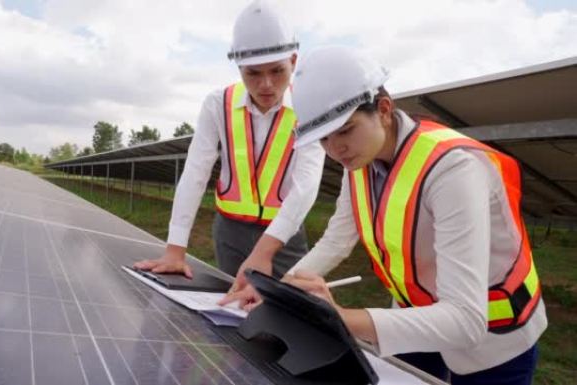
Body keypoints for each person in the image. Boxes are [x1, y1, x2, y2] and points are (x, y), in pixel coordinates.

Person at [264, 46, 546, 384]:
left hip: (495, 338)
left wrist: (338, 318)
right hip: (416, 314)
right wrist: (280, 291)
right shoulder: (358, 161)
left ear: (383, 109)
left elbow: (466, 321)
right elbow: (338, 239)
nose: (335, 149)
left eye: (345, 130)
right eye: (323, 138)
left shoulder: (455, 170)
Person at [134, 0, 324, 286]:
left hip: (285, 234)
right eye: (253, 74)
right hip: (229, 231)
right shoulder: (217, 104)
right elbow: (196, 172)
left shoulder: (311, 106)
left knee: (289, 314)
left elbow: (306, 186)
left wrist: (267, 249)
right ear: (239, 67)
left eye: (277, 71)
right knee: (231, 311)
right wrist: (175, 249)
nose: (266, 85)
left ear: (294, 61)